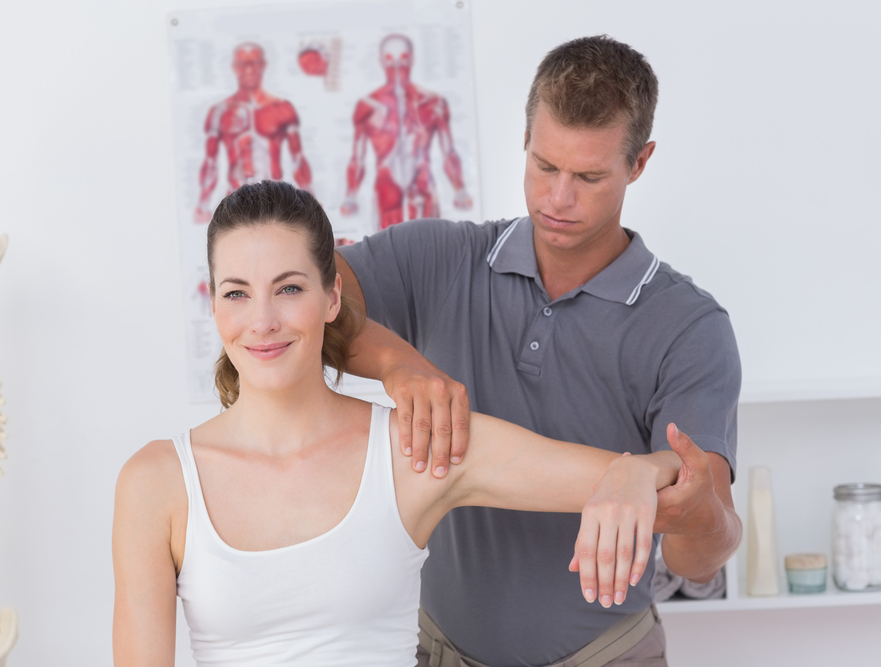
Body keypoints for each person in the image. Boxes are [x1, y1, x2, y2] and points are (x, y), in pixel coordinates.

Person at [112, 180, 692, 667]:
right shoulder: (157, 483)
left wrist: (641, 469)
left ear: (332, 298)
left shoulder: (415, 449)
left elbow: (670, 484)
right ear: (213, 306)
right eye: (236, 293)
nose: (262, 321)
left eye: (289, 288)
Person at [336, 35, 744, 665]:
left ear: (639, 163)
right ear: (525, 139)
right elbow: (306, 296)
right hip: (435, 649)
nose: (558, 199)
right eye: (544, 165)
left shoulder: (690, 327)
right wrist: (400, 365)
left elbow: (705, 550)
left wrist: (676, 497)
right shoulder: (442, 259)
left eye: (588, 176)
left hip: (607, 654)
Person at [339, 34, 472, 229]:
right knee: (385, 253)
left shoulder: (433, 103)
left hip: (422, 188)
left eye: (403, 58)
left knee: (430, 251)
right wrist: (350, 196)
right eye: (390, 59)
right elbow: (357, 157)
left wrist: (459, 190)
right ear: (382, 61)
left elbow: (448, 151)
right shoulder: (367, 106)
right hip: (386, 191)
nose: (398, 66)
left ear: (412, 59)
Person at [193, 42, 313, 224]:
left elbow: (298, 159)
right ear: (234, 67)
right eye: (243, 64)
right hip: (234, 209)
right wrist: (202, 204)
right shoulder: (219, 112)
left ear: (263, 66)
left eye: (254, 63)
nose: (249, 70)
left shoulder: (282, 109)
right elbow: (210, 163)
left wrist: (311, 202)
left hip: (278, 208)